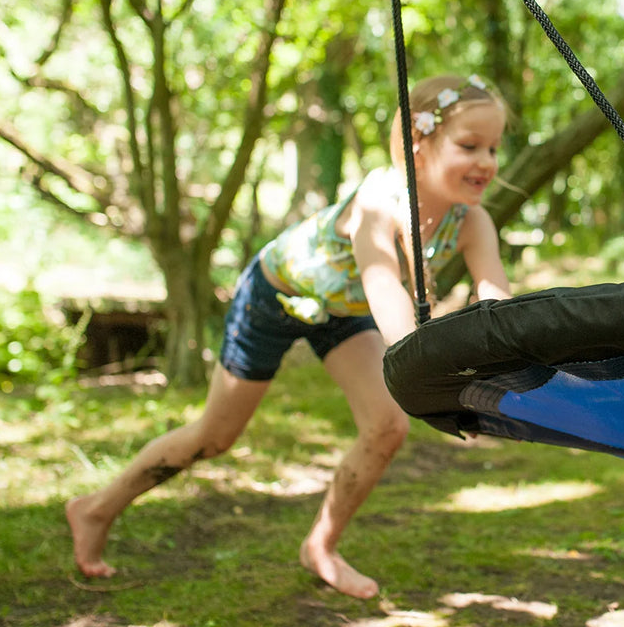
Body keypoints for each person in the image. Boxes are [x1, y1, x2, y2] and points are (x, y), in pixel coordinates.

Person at [66, 74, 513, 597]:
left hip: (342, 312)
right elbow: (382, 285)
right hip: (275, 294)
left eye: (493, 148)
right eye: (469, 146)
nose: (486, 161)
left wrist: (489, 387)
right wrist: (434, 376)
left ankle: (321, 545)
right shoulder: (380, 199)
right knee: (216, 436)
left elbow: (495, 307)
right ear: (419, 145)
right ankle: (94, 509)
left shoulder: (472, 221)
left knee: (387, 428)